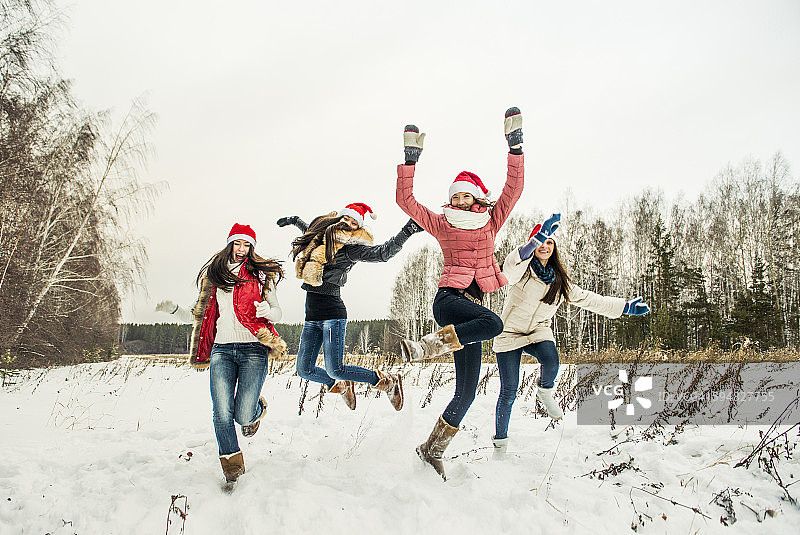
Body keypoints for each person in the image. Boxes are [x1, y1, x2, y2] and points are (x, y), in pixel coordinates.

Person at [395, 107, 525, 479]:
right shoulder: (442, 223)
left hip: (469, 317)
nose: (462, 202)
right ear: (452, 200)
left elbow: (514, 190)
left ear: (478, 199)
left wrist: (514, 146)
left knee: (466, 392)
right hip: (450, 302)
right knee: (495, 322)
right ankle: (427, 347)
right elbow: (407, 202)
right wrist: (410, 160)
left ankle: (431, 448)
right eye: (457, 197)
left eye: (468, 197)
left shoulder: (490, 221)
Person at [491, 217, 650, 450]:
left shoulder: (559, 281)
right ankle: (500, 444)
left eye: (549, 243)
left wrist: (624, 307)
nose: (544, 247)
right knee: (509, 391)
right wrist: (532, 242)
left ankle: (545, 393)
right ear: (533, 245)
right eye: (540, 242)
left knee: (551, 359)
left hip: (537, 331)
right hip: (509, 333)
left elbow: (589, 299)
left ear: (554, 249)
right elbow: (509, 268)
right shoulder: (520, 271)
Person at [155, 223, 286, 487]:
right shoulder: (215, 276)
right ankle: (232, 466)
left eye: (247, 245)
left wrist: (265, 312)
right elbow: (197, 316)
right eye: (237, 243)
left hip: (253, 349)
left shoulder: (260, 275)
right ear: (229, 244)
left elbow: (277, 311)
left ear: (252, 248)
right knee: (221, 412)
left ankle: (256, 411)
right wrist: (172, 310)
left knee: (242, 414)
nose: (241, 249)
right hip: (222, 350)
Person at [276, 203, 422, 412]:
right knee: (304, 370)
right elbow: (309, 229)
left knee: (336, 368)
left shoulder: (350, 250)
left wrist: (407, 231)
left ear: (357, 228)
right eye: (346, 218)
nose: (348, 223)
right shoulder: (320, 239)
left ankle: (387, 382)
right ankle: (342, 385)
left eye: (354, 222)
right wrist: (294, 220)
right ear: (339, 219)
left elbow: (383, 253)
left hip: (332, 315)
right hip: (312, 318)